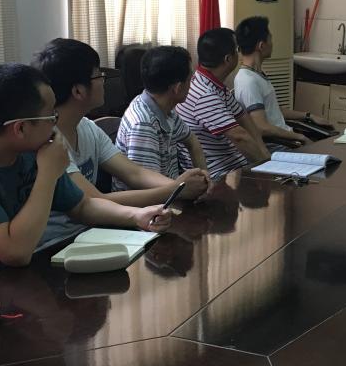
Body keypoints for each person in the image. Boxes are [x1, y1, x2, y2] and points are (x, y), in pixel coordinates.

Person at [0, 64, 171, 287]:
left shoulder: (31, 148)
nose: (56, 124)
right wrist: (47, 173)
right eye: (51, 116)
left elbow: (81, 205)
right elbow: (15, 252)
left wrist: (136, 215)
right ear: (21, 128)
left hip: (13, 286)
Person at [32, 38, 208, 246]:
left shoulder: (88, 128)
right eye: (99, 75)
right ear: (78, 91)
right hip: (57, 244)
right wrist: (175, 189)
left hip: (92, 234)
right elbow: (92, 201)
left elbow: (135, 173)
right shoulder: (48, 142)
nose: (104, 80)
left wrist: (181, 186)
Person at [176, 28, 270, 179]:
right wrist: (267, 167)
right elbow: (239, 137)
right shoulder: (204, 95)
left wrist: (264, 152)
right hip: (219, 174)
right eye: (237, 50)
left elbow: (242, 116)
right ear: (228, 59)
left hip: (234, 165)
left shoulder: (212, 83)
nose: (240, 54)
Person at [115, 45, 210, 192]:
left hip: (169, 194)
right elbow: (146, 190)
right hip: (151, 202)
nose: (192, 84)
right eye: (190, 79)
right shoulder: (143, 124)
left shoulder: (164, 108)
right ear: (177, 88)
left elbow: (192, 141)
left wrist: (205, 178)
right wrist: (187, 190)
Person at [233, 16, 331, 149]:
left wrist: (308, 116)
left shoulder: (256, 75)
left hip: (287, 139)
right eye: (270, 39)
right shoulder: (248, 81)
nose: (272, 44)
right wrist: (299, 137)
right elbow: (261, 127)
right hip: (279, 145)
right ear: (261, 46)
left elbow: (272, 111)